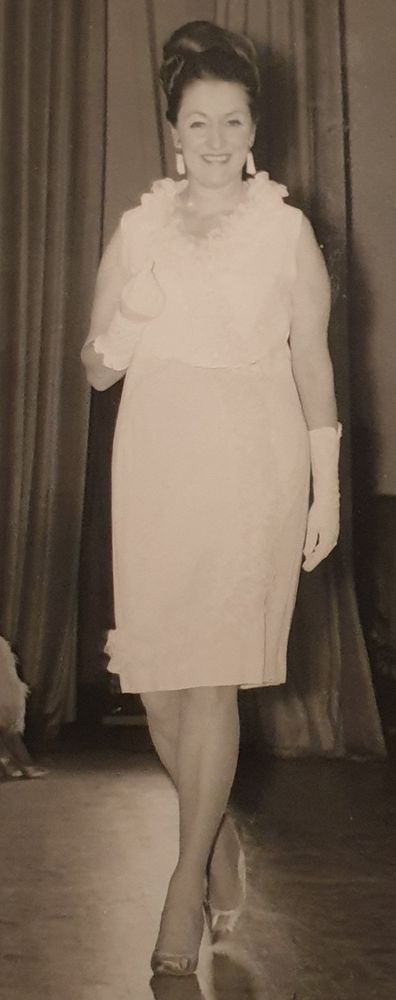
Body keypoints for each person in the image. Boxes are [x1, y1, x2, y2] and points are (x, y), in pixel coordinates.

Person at [81, 19, 341, 977]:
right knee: (158, 688)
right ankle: (218, 837)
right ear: (174, 131)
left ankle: (181, 884)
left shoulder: (285, 231)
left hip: (251, 462)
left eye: (233, 121)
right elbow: (97, 370)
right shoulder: (139, 229)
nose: (217, 140)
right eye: (199, 123)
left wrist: (327, 491)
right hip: (155, 461)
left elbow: (313, 364)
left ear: (254, 129)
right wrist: (133, 313)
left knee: (211, 680)